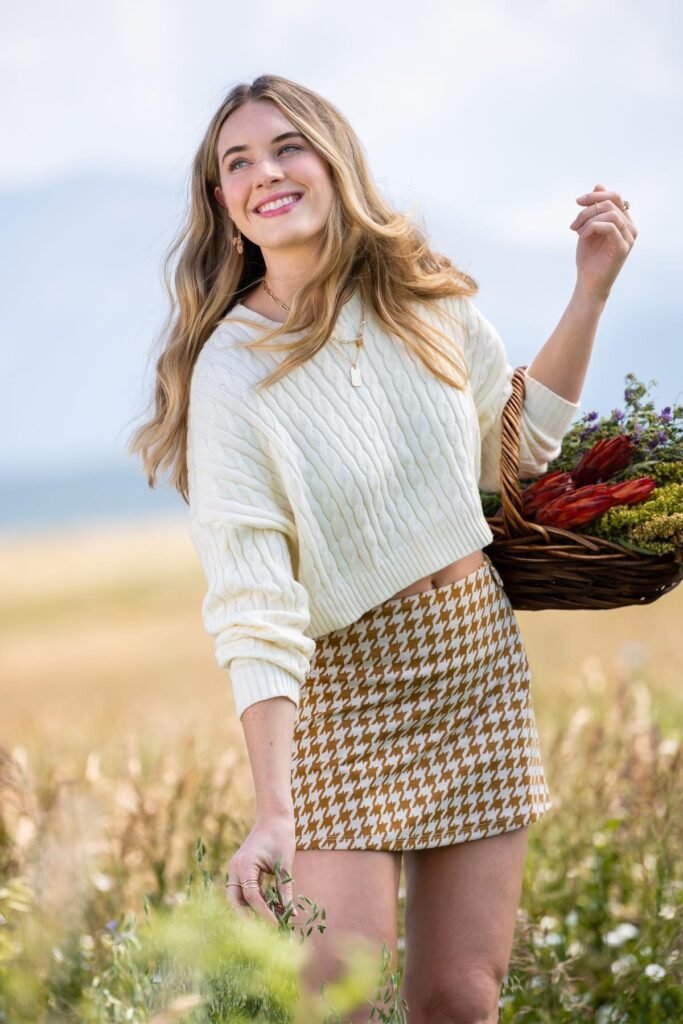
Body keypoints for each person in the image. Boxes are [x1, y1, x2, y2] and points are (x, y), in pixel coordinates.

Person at [129, 73, 636, 1024]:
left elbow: (516, 451)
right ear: (222, 206)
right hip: (342, 689)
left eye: (286, 148)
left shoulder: (416, 295)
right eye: (235, 163)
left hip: (473, 663)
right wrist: (271, 811)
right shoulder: (230, 377)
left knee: (460, 996)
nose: (264, 174)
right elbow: (253, 605)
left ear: (332, 162)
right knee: (341, 1002)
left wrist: (590, 292)